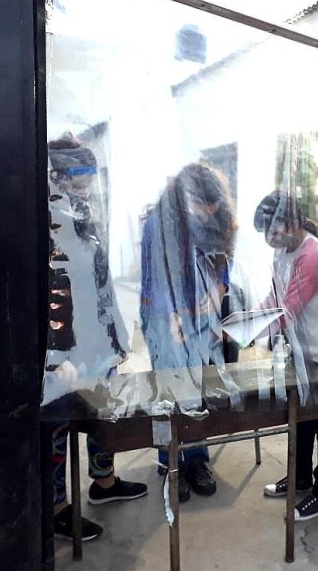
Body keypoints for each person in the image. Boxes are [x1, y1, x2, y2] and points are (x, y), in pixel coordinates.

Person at [45, 134, 147, 541]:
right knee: (57, 425)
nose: (88, 184)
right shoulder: (48, 222)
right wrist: (56, 357)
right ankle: (56, 507)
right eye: (81, 176)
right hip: (66, 348)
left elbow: (101, 282)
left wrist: (116, 339)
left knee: (104, 413)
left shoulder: (84, 214)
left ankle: (103, 482)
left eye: (90, 176)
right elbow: (52, 290)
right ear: (58, 176)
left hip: (97, 341)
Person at [140, 163, 237, 501]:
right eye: (199, 208)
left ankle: (196, 459)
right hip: (163, 315)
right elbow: (154, 278)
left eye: (211, 210)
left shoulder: (216, 219)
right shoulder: (158, 224)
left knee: (196, 389)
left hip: (200, 316)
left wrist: (219, 291)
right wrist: (173, 317)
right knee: (168, 390)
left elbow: (224, 263)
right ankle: (169, 463)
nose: (205, 216)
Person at [254, 191, 318, 521]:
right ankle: (300, 478)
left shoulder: (312, 256)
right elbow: (275, 298)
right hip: (301, 348)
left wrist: (248, 331)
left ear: (291, 223)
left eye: (272, 231)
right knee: (301, 416)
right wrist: (247, 319)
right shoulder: (283, 251)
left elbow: (289, 310)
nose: (269, 240)